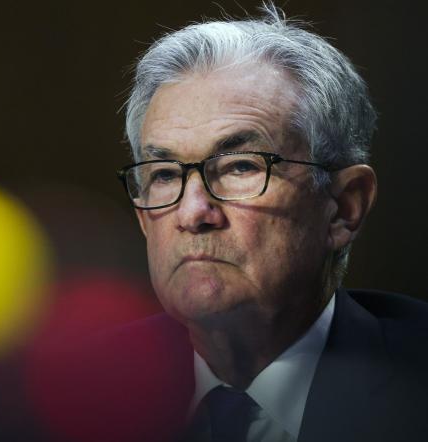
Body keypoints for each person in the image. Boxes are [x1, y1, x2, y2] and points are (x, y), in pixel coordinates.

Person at [113, 4, 428, 442]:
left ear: (344, 206)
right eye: (164, 175)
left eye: (241, 167)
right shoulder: (67, 388)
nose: (192, 213)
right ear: (143, 217)